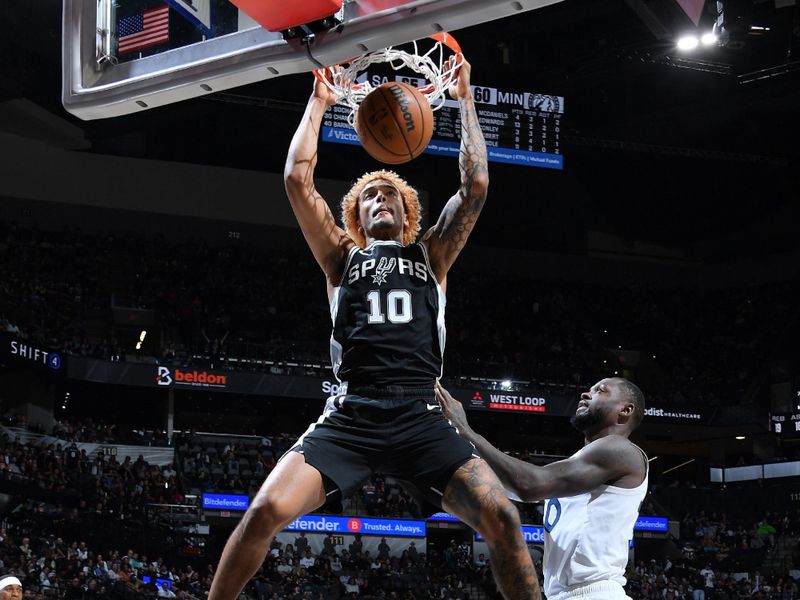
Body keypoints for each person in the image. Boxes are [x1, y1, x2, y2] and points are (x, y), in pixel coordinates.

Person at [207, 57, 539, 600]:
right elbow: (296, 178)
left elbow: (476, 183)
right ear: (355, 216)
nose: (380, 197)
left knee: (502, 517)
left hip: (421, 413)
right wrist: (318, 102)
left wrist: (465, 99)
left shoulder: (432, 256)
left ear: (408, 211)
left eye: (390, 194)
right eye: (369, 195)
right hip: (353, 413)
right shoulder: (341, 257)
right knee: (265, 509)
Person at [437, 377, 648, 600]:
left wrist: (466, 431)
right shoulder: (586, 465)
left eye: (600, 391)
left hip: (594, 593)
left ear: (625, 410)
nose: (585, 394)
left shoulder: (619, 449)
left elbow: (528, 485)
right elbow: (515, 486)